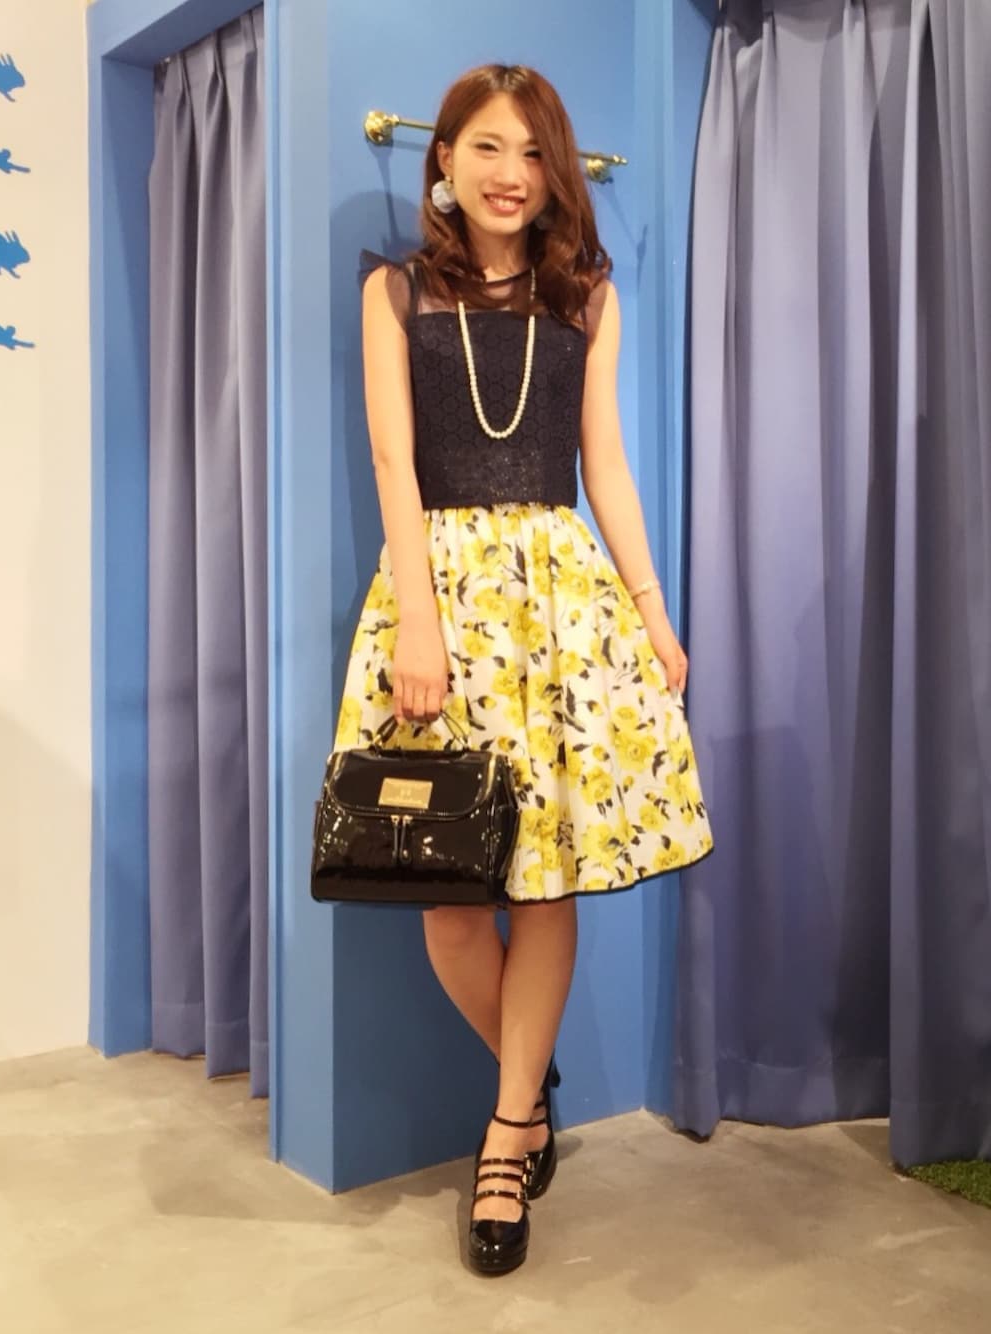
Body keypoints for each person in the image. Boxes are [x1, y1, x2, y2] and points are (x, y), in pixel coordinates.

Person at [333, 63, 713, 1276]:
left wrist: (651, 613)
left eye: (534, 152)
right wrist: (419, 622)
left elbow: (606, 463)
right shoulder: (394, 293)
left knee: (545, 882)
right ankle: (529, 1076)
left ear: (556, 174)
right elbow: (393, 463)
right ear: (443, 158)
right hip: (439, 598)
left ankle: (506, 1137)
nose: (511, 174)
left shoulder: (586, 295)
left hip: (561, 605)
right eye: (488, 147)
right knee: (449, 896)